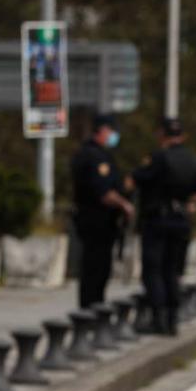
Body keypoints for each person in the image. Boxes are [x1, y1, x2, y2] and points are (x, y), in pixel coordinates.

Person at [134, 118, 196, 335]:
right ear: (182, 136)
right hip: (181, 221)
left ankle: (158, 319)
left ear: (162, 135)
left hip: (158, 220)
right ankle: (173, 320)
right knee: (174, 271)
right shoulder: (194, 161)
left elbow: (139, 179)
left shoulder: (159, 158)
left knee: (154, 270)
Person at [70, 114, 134, 308]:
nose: (114, 136)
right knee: (95, 270)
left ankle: (93, 308)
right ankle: (91, 310)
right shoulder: (95, 156)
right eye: (112, 131)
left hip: (98, 222)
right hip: (96, 221)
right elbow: (104, 193)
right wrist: (125, 205)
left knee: (98, 269)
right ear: (103, 130)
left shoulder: (94, 153)